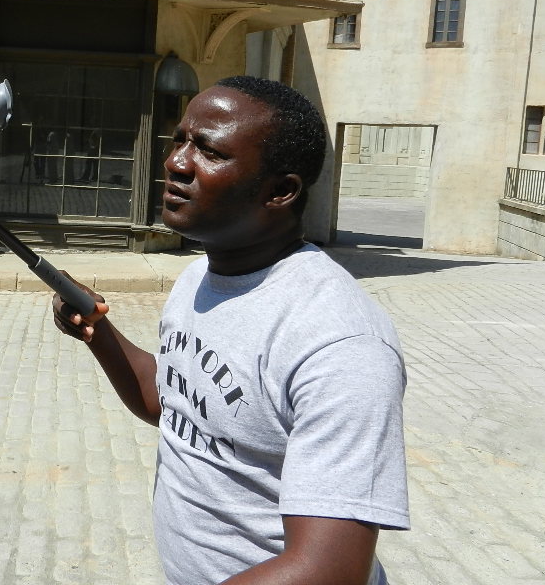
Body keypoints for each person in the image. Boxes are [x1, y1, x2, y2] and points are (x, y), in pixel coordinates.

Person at [52, 76, 409, 585]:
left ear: (280, 191)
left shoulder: (340, 344)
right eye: (179, 140)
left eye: (210, 151)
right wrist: (98, 332)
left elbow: (330, 570)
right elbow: (176, 403)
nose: (177, 163)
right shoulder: (200, 274)